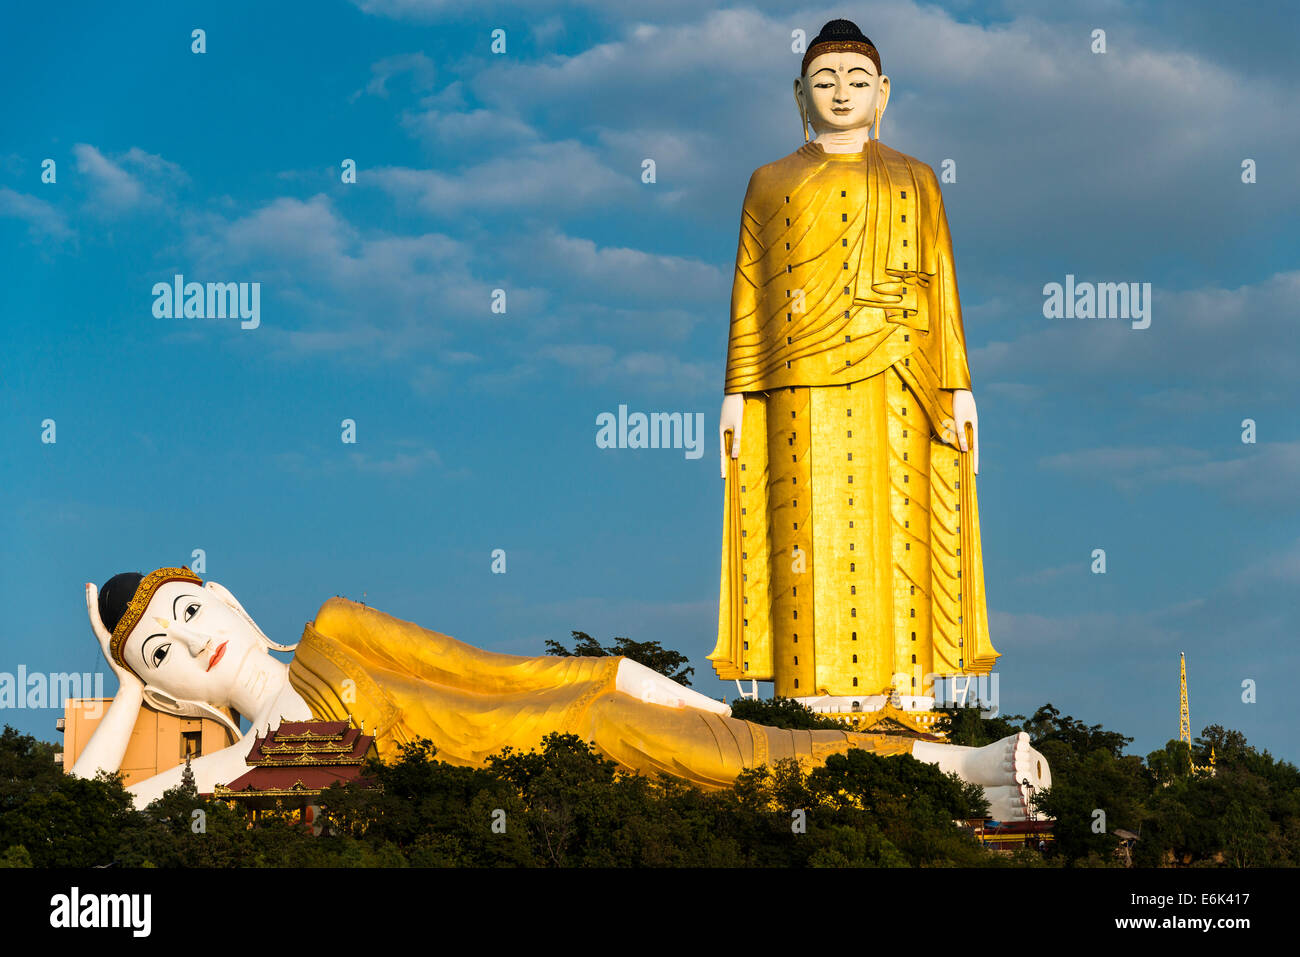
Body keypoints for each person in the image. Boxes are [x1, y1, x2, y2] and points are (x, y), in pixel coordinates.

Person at [71, 566, 1049, 817]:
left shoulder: (335, 628)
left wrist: (644, 683)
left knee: (755, 753)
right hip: (557, 793)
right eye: (157, 652)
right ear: (161, 690)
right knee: (756, 779)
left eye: (186, 614)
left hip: (584, 722)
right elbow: (96, 808)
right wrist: (121, 690)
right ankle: (964, 783)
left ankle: (959, 769)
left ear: (226, 599)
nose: (183, 647)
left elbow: (489, 673)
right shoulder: (257, 765)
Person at [712, 19, 997, 715]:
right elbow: (750, 290)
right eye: (826, 80)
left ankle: (907, 697)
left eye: (857, 80)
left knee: (900, 524)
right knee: (802, 529)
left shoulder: (915, 179)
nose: (842, 93)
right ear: (799, 94)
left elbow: (941, 281)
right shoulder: (769, 182)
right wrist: (736, 393)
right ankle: (809, 699)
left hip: (897, 370)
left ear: (884, 92)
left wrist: (958, 384)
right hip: (796, 383)